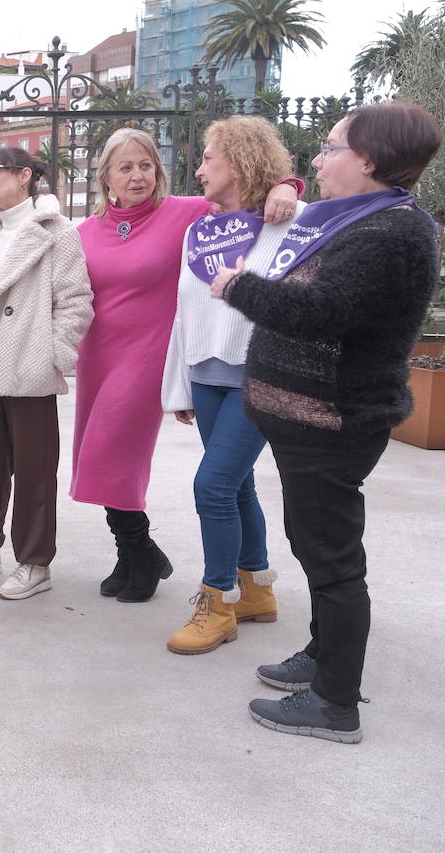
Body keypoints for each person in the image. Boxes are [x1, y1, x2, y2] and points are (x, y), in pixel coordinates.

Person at [212, 102, 443, 742]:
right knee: (315, 545)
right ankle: (322, 655)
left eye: (331, 147)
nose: (317, 159)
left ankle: (335, 703)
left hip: (333, 422)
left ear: (367, 160)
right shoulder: (358, 220)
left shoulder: (390, 233)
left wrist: (238, 286)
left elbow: (320, 311)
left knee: (333, 559)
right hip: (310, 422)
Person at [72, 128, 301, 603]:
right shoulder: (85, 231)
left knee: (113, 453)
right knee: (96, 456)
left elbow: (251, 196)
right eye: (125, 168)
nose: (138, 176)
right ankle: (134, 554)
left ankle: (143, 551)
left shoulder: (187, 212)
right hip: (99, 354)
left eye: (146, 165)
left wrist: (288, 185)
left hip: (150, 353)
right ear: (106, 178)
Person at [160, 116, 306, 654]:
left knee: (212, 487)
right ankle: (256, 590)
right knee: (237, 485)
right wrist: (181, 385)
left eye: (208, 160)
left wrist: (290, 187)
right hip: (206, 375)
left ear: (241, 162)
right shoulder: (199, 231)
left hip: (258, 377)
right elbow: (184, 311)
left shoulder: (287, 222)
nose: (198, 171)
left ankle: (217, 602)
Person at [0, 146, 93, 600]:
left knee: (35, 470)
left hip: (29, 362)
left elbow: (76, 300)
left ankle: (34, 561)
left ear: (25, 175)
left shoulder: (56, 231)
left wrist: (53, 355)